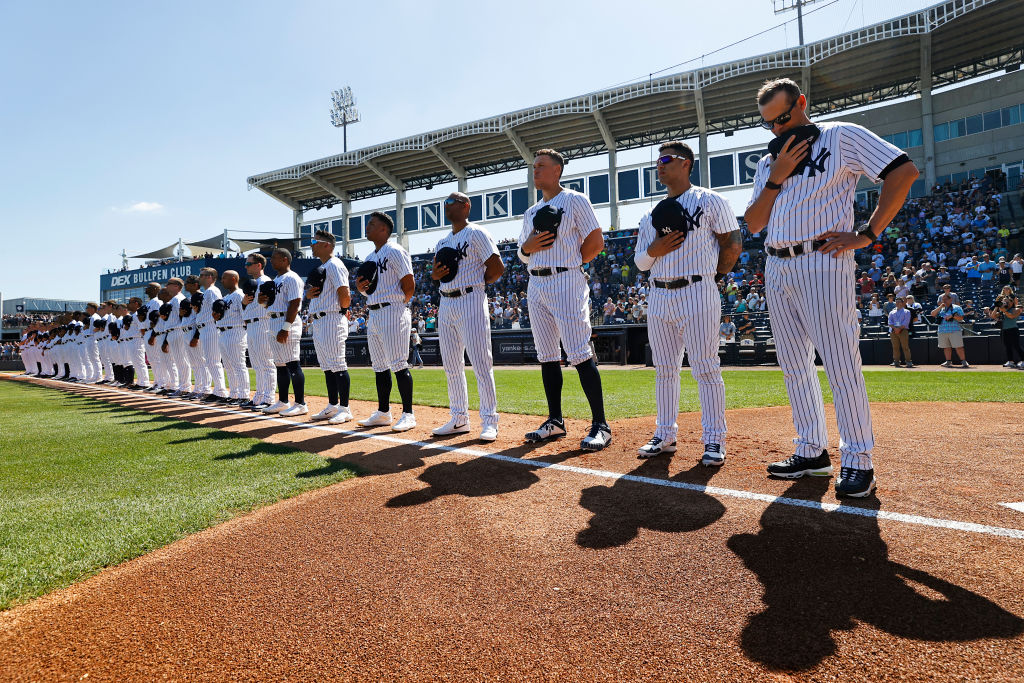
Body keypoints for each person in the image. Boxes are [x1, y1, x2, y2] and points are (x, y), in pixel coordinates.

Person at [743, 77, 919, 498]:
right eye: (769, 124)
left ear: (802, 103)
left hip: (823, 259)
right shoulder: (770, 162)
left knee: (840, 363)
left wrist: (869, 232)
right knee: (794, 365)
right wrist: (776, 177)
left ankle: (859, 459)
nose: (778, 130)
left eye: (783, 118)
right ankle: (811, 451)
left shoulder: (840, 136)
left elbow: (903, 172)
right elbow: (752, 223)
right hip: (777, 263)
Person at [633, 141, 742, 462]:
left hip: (697, 290)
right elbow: (640, 262)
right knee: (664, 369)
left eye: (667, 159)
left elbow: (732, 244)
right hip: (659, 295)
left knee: (706, 368)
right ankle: (665, 434)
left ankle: (714, 440)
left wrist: (712, 279)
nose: (660, 165)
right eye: (658, 161)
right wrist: (656, 249)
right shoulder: (649, 215)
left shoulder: (710, 200)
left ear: (686, 164)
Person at [517, 148, 611, 451]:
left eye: (542, 166)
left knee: (579, 352)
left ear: (557, 170)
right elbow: (521, 253)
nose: (536, 171)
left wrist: (570, 264)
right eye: (534, 167)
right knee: (546, 355)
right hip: (537, 283)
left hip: (565, 280)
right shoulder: (531, 212)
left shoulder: (574, 200)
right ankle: (555, 421)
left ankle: (601, 425)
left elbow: (596, 241)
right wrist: (528, 246)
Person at [429, 192, 505, 441]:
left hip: (471, 298)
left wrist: (476, 284)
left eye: (451, 202)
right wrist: (436, 275)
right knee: (452, 366)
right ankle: (459, 418)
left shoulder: (477, 233)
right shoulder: (441, 242)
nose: (447, 206)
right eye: (445, 203)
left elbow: (496, 267)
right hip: (446, 301)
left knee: (481, 364)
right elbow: (435, 273)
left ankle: (490, 420)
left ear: (465, 206)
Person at [356, 212, 417, 432]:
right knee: (380, 367)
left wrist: (398, 305)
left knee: (399, 365)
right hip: (374, 312)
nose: (367, 227)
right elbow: (367, 290)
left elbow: (409, 283)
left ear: (384, 229)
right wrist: (361, 290)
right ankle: (383, 412)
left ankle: (408, 414)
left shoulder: (395, 250)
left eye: (371, 224)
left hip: (393, 310)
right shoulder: (370, 257)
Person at [305, 230, 353, 424]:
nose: (311, 245)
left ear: (327, 245)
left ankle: (345, 408)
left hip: (332, 318)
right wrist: (309, 296)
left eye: (315, 242)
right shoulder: (323, 266)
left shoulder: (335, 264)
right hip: (319, 320)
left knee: (338, 365)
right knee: (327, 367)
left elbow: (344, 292)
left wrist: (343, 310)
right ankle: (333, 405)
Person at [262, 248, 308, 416]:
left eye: (274, 258)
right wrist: (263, 303)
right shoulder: (276, 279)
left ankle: (301, 403)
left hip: (285, 322)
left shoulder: (292, 278)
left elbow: (295, 303)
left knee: (292, 363)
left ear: (285, 260)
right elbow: (274, 304)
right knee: (280, 365)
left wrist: (286, 327)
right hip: (273, 321)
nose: (271, 261)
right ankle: (283, 401)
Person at [241, 253, 275, 411]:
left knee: (266, 362)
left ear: (259, 265)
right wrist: (243, 303)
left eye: (249, 264)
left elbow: (270, 304)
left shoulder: (266, 281)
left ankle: (268, 398)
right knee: (256, 364)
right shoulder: (251, 284)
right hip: (251, 324)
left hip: (263, 323)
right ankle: (259, 397)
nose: (246, 266)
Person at [196, 268, 229, 403]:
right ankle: (218, 390)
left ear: (210, 277)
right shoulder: (207, 292)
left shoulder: (212, 290)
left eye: (202, 275)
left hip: (211, 327)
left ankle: (221, 392)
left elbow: (219, 307)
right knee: (210, 361)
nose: (200, 277)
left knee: (213, 361)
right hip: (205, 328)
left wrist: (216, 320)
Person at [217, 270, 250, 405]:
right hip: (223, 332)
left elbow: (245, 315)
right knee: (229, 366)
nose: (222, 280)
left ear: (233, 279)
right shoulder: (225, 298)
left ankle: (244, 395)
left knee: (238, 365)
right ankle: (235, 393)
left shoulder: (239, 295)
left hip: (236, 331)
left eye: (224, 278)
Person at [984, 288, 1024, 369]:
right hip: (1004, 330)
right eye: (1004, 301)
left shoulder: (1016, 309)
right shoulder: (1002, 310)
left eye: (1006, 301)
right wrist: (996, 306)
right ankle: (1010, 361)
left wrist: (1004, 310)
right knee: (1007, 346)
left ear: (1011, 302)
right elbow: (992, 316)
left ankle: (1023, 361)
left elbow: (1012, 316)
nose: (1005, 303)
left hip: (1013, 329)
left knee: (1016, 346)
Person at [931, 293, 970, 368]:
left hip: (954, 330)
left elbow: (961, 318)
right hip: (942, 330)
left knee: (959, 347)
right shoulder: (941, 308)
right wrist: (940, 307)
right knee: (946, 347)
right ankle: (948, 361)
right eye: (943, 299)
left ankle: (964, 361)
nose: (944, 301)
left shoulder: (956, 307)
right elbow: (932, 314)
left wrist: (952, 316)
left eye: (946, 299)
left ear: (950, 299)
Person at [887, 297, 913, 368]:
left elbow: (906, 322)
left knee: (905, 347)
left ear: (902, 303)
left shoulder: (906, 311)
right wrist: (895, 328)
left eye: (899, 302)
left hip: (903, 330)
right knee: (895, 347)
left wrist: (899, 329)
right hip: (893, 331)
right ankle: (896, 362)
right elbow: (889, 322)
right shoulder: (891, 312)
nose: (897, 303)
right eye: (896, 302)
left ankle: (908, 362)